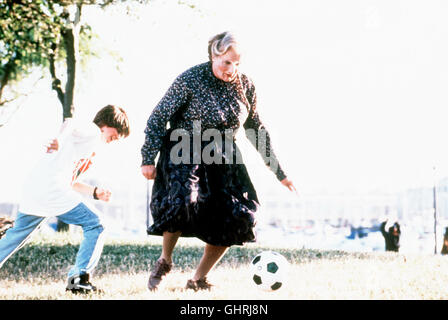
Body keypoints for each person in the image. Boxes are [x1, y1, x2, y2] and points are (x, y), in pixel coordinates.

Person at [141, 31, 296, 291]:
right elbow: (158, 117)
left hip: (223, 155)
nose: (232, 69)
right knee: (181, 201)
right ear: (214, 55)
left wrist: (279, 172)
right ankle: (164, 261)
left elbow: (255, 129)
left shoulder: (245, 86)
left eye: (237, 63)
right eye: (227, 62)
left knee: (237, 216)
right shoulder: (190, 79)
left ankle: (198, 279)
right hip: (185, 147)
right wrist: (148, 157)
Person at [0, 105, 130, 294]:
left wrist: (95, 192)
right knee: (96, 224)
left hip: (36, 189)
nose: (117, 138)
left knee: (15, 236)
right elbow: (71, 122)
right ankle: (79, 279)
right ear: (106, 123)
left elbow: (71, 183)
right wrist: (59, 139)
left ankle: (79, 279)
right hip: (51, 189)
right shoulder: (93, 132)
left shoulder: (86, 147)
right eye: (117, 132)